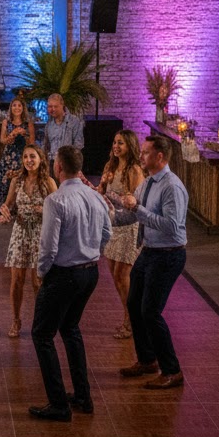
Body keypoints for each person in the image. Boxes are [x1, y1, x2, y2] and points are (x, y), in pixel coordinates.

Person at [28, 145, 111, 421]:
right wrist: (91, 251)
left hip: (64, 275)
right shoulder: (94, 195)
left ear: (58, 167)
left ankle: (59, 404)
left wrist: (41, 272)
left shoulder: (56, 200)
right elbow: (107, 232)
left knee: (42, 334)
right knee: (70, 328)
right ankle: (83, 396)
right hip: (90, 272)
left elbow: (49, 247)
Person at [112, 134, 188, 390]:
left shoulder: (171, 186)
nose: (141, 156)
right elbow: (131, 216)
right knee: (134, 303)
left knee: (150, 311)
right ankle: (147, 360)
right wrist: (106, 216)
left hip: (168, 254)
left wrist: (138, 209)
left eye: (146, 152)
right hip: (149, 251)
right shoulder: (147, 183)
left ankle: (172, 370)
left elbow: (172, 226)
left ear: (160, 156)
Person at [0, 144, 56, 338]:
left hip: (40, 232)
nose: (29, 160)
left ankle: (40, 321)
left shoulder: (48, 182)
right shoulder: (17, 181)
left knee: (38, 281)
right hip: (20, 231)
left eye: (32, 157)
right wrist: (5, 211)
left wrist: (45, 210)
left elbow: (59, 210)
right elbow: (8, 204)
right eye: (25, 157)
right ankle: (16, 320)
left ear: (40, 159)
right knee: (16, 280)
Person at [97, 130, 146, 339]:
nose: (116, 146)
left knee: (122, 274)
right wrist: (102, 185)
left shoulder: (134, 170)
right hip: (112, 227)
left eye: (121, 143)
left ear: (130, 146)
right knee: (115, 275)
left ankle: (131, 319)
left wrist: (117, 196)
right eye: (115, 142)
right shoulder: (110, 166)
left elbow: (137, 202)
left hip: (129, 227)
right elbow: (100, 192)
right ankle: (128, 314)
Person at [0, 96, 35, 216]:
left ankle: (19, 209)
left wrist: (24, 134)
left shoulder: (28, 124)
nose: (17, 108)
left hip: (23, 156)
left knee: (21, 181)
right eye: (14, 105)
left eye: (19, 105)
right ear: (11, 108)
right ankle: (3, 208)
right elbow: (2, 140)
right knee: (5, 181)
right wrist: (13, 134)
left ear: (23, 108)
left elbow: (32, 143)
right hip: (8, 156)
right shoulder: (6, 122)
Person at [42, 94, 85, 166]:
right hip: (52, 163)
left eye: (55, 106)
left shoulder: (74, 121)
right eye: (50, 106)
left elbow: (78, 145)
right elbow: (46, 145)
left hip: (69, 163)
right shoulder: (49, 124)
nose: (53, 109)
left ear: (62, 105)